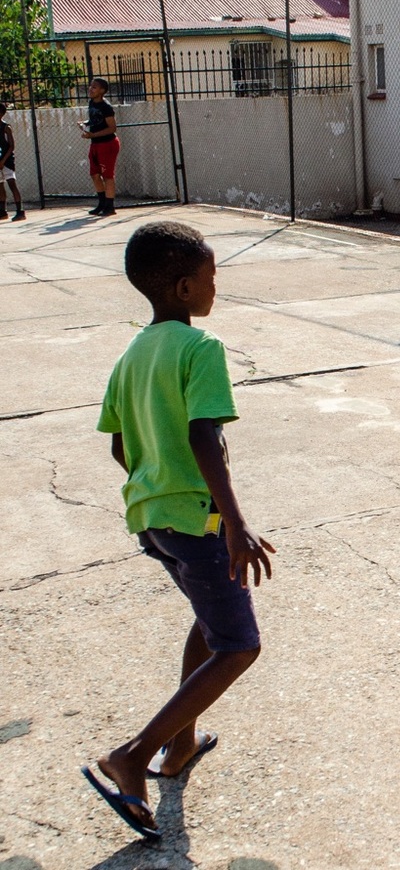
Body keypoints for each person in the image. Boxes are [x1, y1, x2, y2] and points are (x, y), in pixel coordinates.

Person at [82, 221, 275, 839]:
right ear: (188, 286)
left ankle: (181, 743)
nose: (216, 287)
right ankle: (134, 755)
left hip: (152, 518)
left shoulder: (133, 353)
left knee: (208, 615)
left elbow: (119, 445)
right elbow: (203, 438)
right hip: (196, 521)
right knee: (239, 644)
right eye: (213, 277)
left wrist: (156, 482)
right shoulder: (201, 350)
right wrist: (237, 526)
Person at [79, 77, 119, 217]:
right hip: (95, 143)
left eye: (94, 87)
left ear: (102, 91)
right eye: (90, 86)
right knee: (95, 174)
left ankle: (110, 205)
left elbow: (112, 128)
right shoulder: (92, 103)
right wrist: (85, 123)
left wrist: (93, 135)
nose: (90, 89)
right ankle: (102, 203)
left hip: (107, 143)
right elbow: (95, 120)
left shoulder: (106, 107)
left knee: (107, 175)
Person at [0, 103, 25, 221]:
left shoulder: (6, 127)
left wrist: (3, 160)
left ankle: (20, 211)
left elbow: (11, 146)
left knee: (12, 184)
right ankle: (2, 211)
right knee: (0, 186)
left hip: (7, 161)